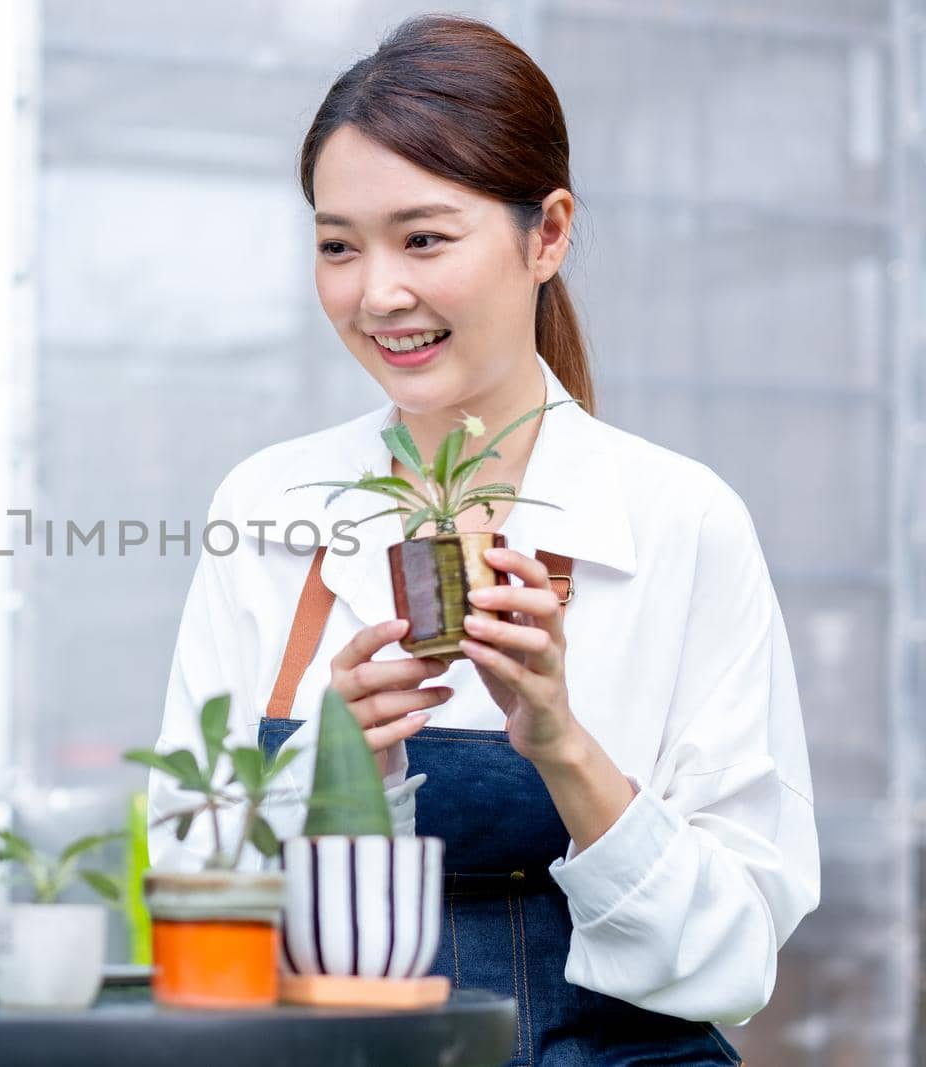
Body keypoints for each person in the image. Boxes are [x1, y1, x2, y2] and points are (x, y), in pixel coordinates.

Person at [145, 13, 818, 1065]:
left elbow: (733, 954)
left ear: (545, 233)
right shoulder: (270, 506)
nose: (377, 294)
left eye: (423, 237)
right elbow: (184, 890)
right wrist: (324, 776)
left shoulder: (677, 520)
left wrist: (560, 743)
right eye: (336, 246)